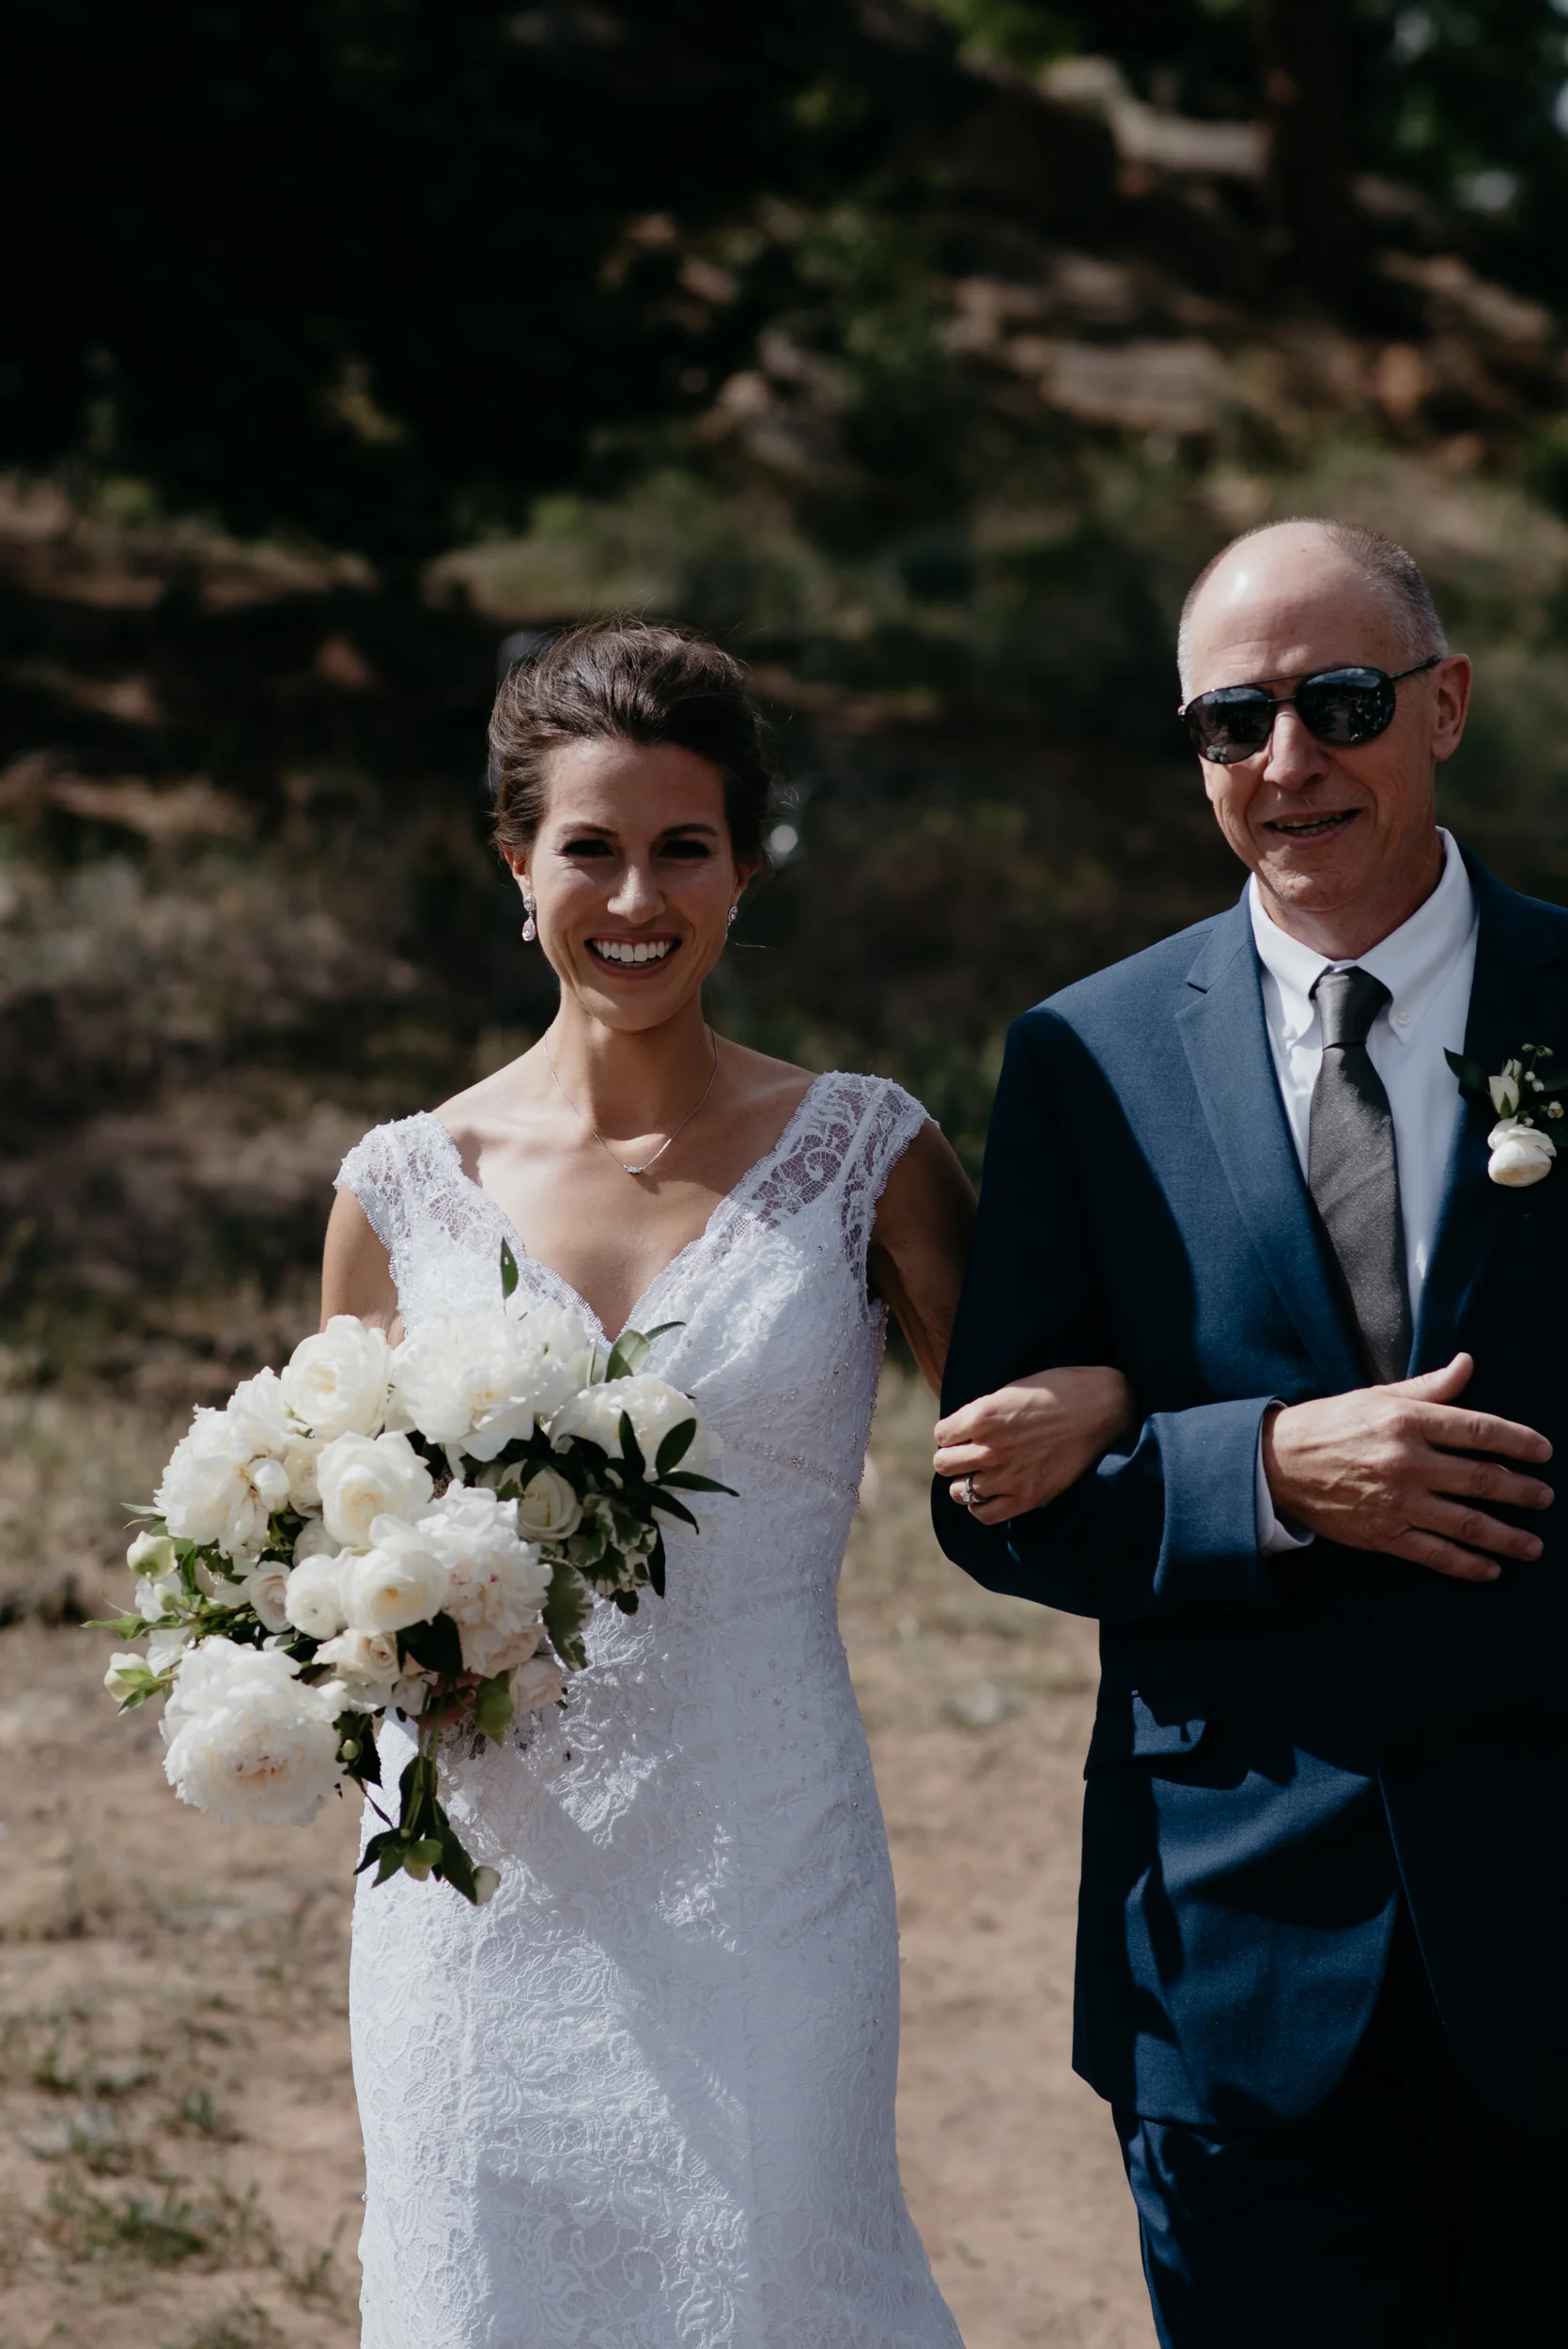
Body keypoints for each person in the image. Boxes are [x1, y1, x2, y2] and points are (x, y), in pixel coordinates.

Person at [322, 619, 1129, 2347]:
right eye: (590, 847)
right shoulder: (398, 1189)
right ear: (515, 862)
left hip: (766, 1872)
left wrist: (1105, 1388)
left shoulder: (870, 1153)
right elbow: (333, 1549)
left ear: (746, 868)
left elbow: (1036, 1433)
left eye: (684, 847)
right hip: (478, 1885)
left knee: (777, 2286)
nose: (637, 895)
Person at [932, 518, 1568, 2346]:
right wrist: (1267, 1471)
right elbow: (992, 1505)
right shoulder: (1087, 1056)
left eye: (1340, 701)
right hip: (1231, 1964)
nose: (1287, 762)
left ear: (1443, 705)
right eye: (1234, 721)